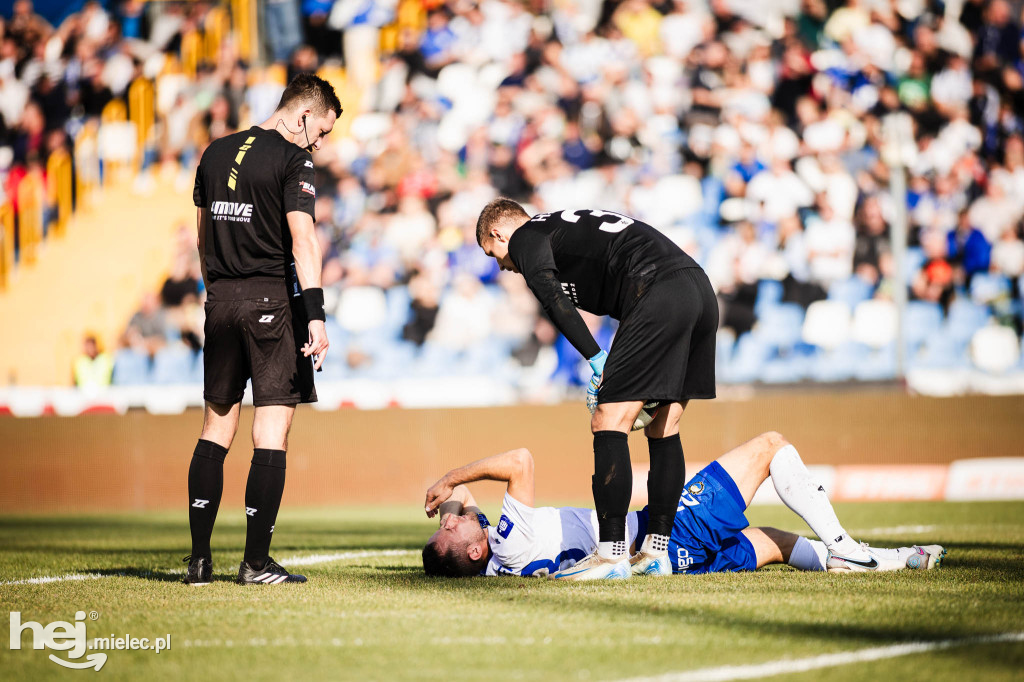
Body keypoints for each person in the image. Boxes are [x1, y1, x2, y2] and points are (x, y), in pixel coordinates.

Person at [475, 198, 718, 580]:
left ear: (498, 232)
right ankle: (656, 551)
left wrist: (595, 358)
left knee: (608, 420)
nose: (503, 264)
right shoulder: (558, 228)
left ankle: (610, 556)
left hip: (657, 290)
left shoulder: (525, 236)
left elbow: (553, 299)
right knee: (664, 426)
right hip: (698, 289)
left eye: (495, 254)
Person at [184, 73, 341, 586]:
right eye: (321, 130)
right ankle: (254, 564)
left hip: (220, 300)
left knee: (216, 428)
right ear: (301, 116)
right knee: (270, 431)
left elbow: (205, 237)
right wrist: (315, 313)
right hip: (271, 301)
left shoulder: (214, 150)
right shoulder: (294, 159)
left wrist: (218, 292)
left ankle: (199, 562)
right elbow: (304, 240)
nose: (320, 143)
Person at [421, 432, 947, 578]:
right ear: (474, 551)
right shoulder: (511, 541)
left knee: (773, 544)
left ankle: (894, 559)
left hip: (675, 564)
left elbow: (461, 514)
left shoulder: (493, 565)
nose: (461, 518)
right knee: (768, 447)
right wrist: (451, 477)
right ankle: (845, 546)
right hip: (665, 534)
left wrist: (450, 502)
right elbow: (520, 459)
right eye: (457, 529)